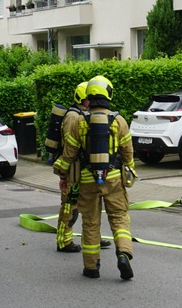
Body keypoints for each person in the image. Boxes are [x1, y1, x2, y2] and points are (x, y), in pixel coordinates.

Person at [56, 75, 135, 280]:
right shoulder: (119, 121)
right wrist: (130, 170)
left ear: (89, 96)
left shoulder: (79, 122)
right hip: (114, 178)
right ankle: (124, 253)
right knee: (119, 218)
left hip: (87, 180)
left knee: (90, 222)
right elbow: (127, 152)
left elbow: (69, 154)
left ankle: (91, 267)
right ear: (108, 93)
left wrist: (62, 172)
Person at [50, 82, 110, 253]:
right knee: (70, 206)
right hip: (73, 171)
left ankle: (93, 237)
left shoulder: (84, 114)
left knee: (91, 205)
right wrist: (64, 174)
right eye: (87, 99)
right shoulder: (73, 117)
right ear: (81, 99)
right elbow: (71, 147)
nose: (90, 102)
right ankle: (64, 241)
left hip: (83, 170)